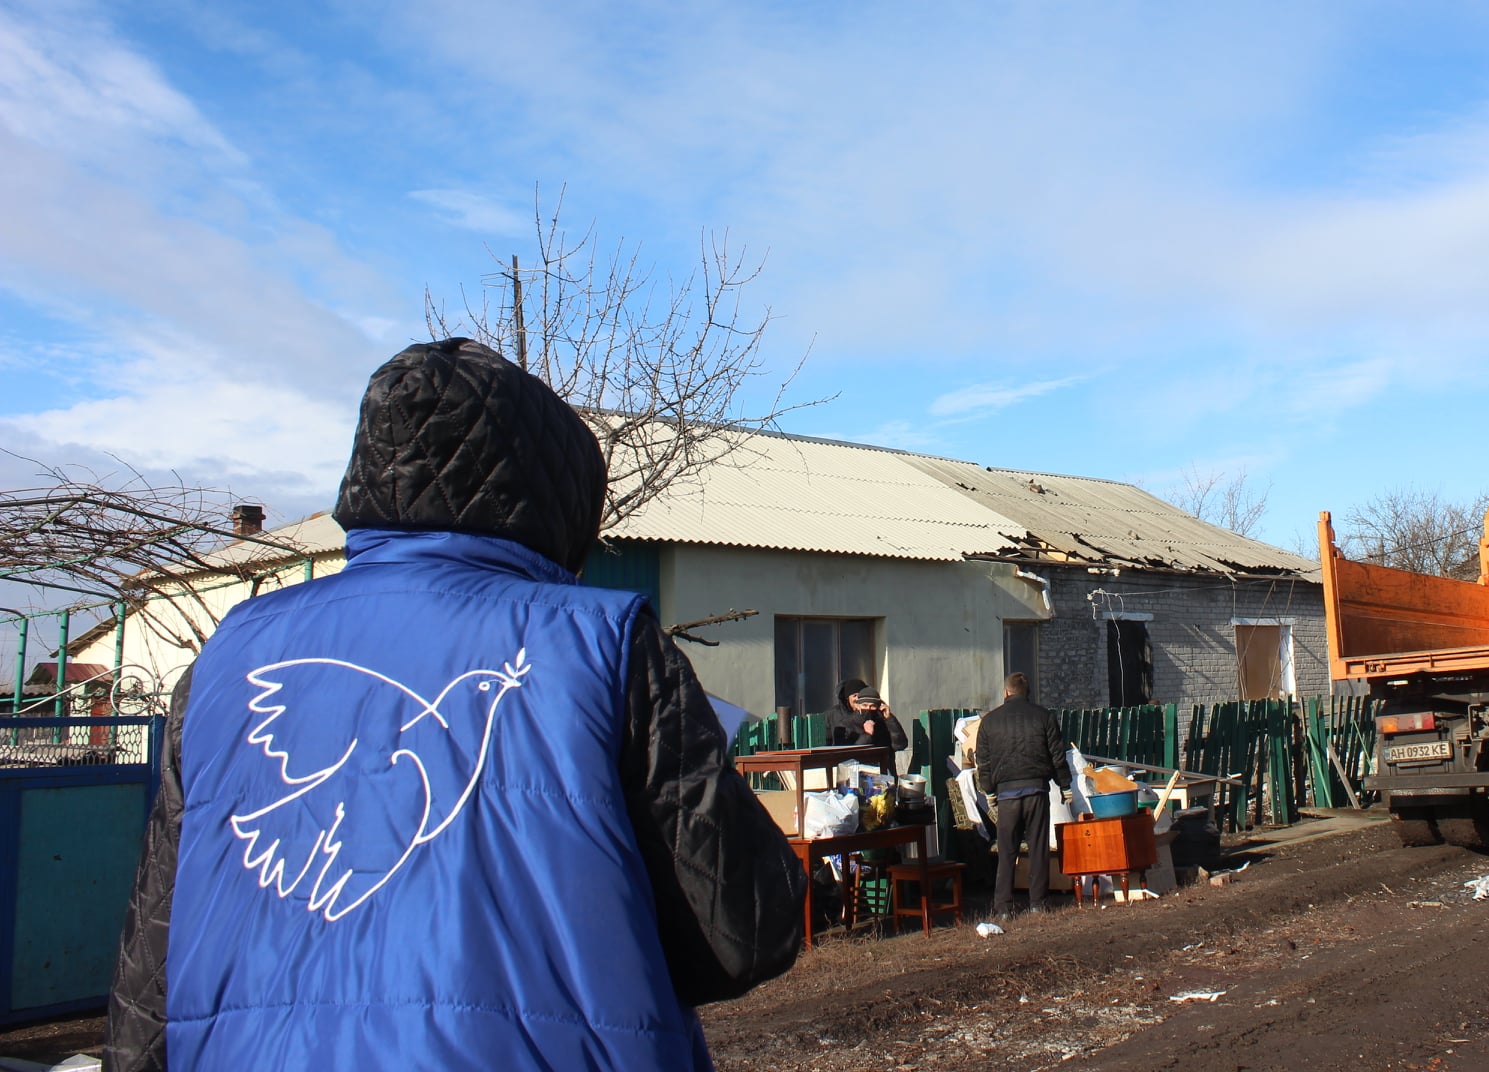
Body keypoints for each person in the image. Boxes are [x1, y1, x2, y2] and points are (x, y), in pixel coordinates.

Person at [104, 338, 806, 1071]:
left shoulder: (227, 656)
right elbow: (744, 933)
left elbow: (149, 970)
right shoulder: (609, 645)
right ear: (556, 490)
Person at [974, 672, 1072, 916]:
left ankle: (1003, 907)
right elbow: (1057, 756)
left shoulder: (990, 721)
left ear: (1006, 692)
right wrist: (1065, 786)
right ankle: (1038, 903)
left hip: (1006, 795)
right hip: (1036, 790)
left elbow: (983, 762)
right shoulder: (1044, 717)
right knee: (1038, 848)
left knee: (1007, 851)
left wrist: (989, 791)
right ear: (1027, 692)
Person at [825, 679, 908, 755]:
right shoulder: (846, 724)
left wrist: (890, 719)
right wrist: (867, 735)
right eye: (864, 705)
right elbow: (847, 754)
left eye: (872, 706)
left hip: (884, 765)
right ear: (858, 706)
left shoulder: (884, 721)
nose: (868, 709)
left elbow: (900, 745)